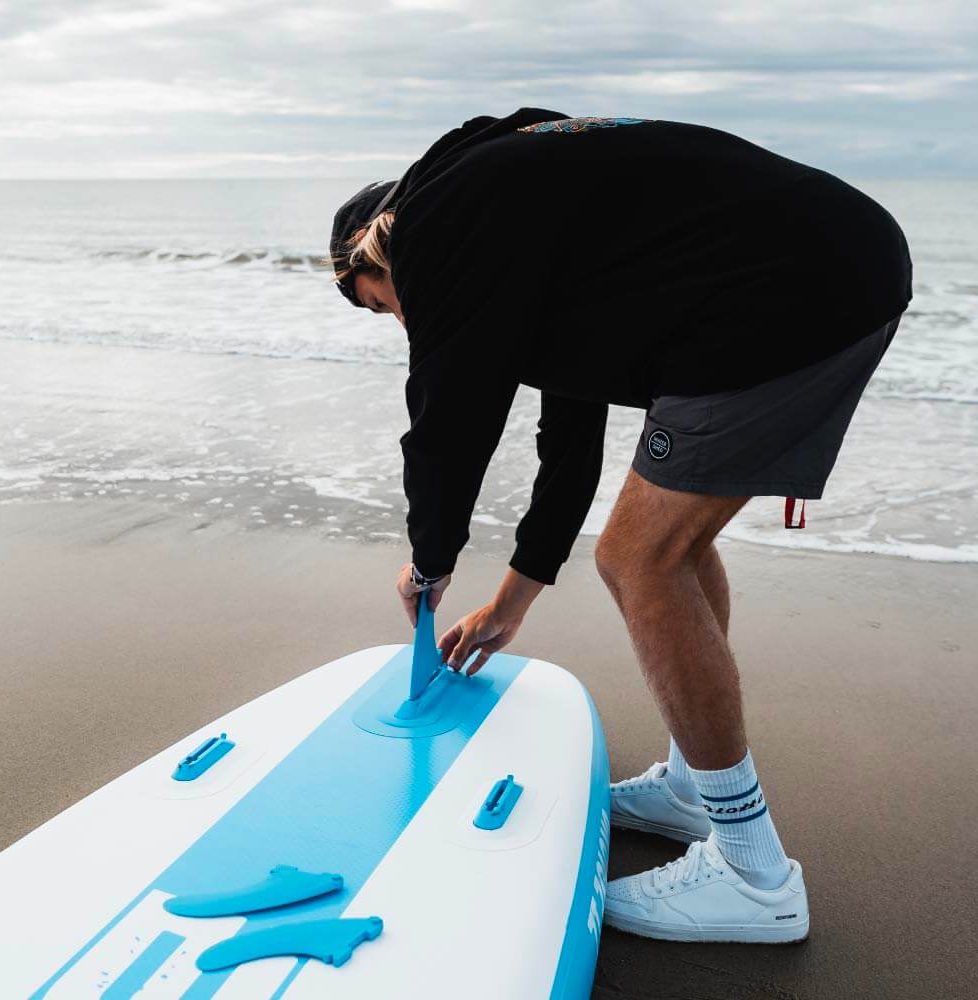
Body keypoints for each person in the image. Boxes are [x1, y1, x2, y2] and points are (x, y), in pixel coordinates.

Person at [329, 108, 912, 943]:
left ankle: (755, 877)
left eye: (382, 306)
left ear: (375, 255)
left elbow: (447, 420)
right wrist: (508, 607)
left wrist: (428, 564)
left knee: (641, 558)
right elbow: (569, 443)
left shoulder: (439, 230)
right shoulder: (519, 229)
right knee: (672, 545)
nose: (401, 324)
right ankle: (687, 789)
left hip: (792, 296)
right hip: (828, 268)